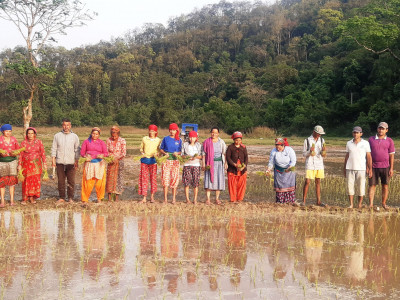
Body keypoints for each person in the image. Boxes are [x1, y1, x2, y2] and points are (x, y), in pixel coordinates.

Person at [51, 118, 80, 204]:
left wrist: (76, 161)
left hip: (71, 162)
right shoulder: (57, 136)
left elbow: (77, 149)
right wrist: (53, 159)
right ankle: (62, 197)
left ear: (70, 126)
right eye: (64, 125)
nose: (66, 127)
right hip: (60, 162)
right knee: (61, 181)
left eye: (68, 125)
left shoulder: (75, 136)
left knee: (71, 181)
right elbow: (54, 148)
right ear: (62, 125)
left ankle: (70, 198)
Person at [368, 122, 395, 209]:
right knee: (372, 185)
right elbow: (368, 155)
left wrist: (391, 168)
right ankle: (371, 204)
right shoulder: (371, 140)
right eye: (379, 128)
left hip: (385, 167)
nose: (380, 130)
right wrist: (368, 167)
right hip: (373, 167)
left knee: (385, 186)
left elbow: (391, 155)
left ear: (386, 130)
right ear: (377, 129)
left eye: (383, 129)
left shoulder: (390, 140)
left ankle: (383, 203)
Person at [344, 126, 372, 208]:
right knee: (350, 187)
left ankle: (359, 204)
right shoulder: (349, 143)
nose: (355, 134)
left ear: (361, 134)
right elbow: (347, 156)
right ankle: (351, 204)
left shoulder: (365, 143)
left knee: (361, 187)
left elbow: (369, 157)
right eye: (354, 132)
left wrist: (370, 168)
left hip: (361, 168)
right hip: (350, 167)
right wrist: (344, 167)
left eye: (357, 132)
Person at [18, 127, 47, 205]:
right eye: (29, 133)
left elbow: (43, 154)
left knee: (35, 180)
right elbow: (21, 155)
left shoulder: (39, 142)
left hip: (37, 165)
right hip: (26, 165)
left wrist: (45, 164)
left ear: (35, 134)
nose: (30, 135)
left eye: (32, 133)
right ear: (26, 134)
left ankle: (32, 197)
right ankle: (25, 198)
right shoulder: (23, 143)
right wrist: (19, 165)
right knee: (26, 180)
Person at [80, 127, 108, 204]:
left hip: (99, 164)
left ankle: (99, 199)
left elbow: (106, 153)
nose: (95, 135)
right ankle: (85, 199)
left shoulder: (102, 142)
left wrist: (102, 155)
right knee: (88, 181)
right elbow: (82, 153)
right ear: (91, 133)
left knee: (100, 182)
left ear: (99, 135)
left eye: (96, 134)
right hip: (89, 163)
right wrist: (86, 157)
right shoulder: (86, 142)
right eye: (93, 133)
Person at [266, 138, 297, 204]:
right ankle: (280, 203)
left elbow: (293, 160)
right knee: (280, 189)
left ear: (283, 146)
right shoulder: (274, 151)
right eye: (277, 147)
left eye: (279, 147)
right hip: (278, 172)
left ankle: (290, 202)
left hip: (289, 172)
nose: (278, 149)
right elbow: (271, 162)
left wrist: (290, 167)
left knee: (289, 188)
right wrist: (268, 169)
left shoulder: (289, 150)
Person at [302, 125, 327, 206]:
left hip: (319, 164)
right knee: (307, 181)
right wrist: (310, 151)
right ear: (314, 132)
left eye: (320, 134)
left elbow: (323, 155)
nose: (319, 135)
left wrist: (323, 152)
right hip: (309, 163)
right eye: (318, 133)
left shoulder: (322, 140)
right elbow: (304, 154)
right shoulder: (307, 140)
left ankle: (318, 201)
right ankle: (304, 201)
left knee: (318, 181)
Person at [202, 127, 227, 205]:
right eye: (212, 132)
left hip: (219, 163)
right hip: (209, 164)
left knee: (218, 180)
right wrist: (203, 163)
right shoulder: (206, 142)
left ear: (218, 134)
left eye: (216, 133)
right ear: (210, 133)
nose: (214, 134)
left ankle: (217, 199)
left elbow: (224, 153)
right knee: (209, 181)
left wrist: (226, 163)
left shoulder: (221, 142)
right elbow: (203, 154)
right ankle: (208, 199)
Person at [159, 123, 182, 204]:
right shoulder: (165, 139)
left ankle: (173, 199)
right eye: (171, 130)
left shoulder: (179, 140)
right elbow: (161, 149)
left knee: (174, 179)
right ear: (169, 130)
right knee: (165, 180)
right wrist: (165, 153)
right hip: (166, 161)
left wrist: (177, 153)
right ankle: (165, 199)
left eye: (174, 130)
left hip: (175, 162)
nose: (172, 131)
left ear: (176, 131)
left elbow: (181, 151)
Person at [139, 125, 161, 203]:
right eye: (150, 131)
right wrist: (142, 153)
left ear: (156, 132)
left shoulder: (158, 140)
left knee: (153, 179)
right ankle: (144, 197)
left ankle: (152, 197)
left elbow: (159, 150)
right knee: (144, 179)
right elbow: (141, 148)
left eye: (153, 131)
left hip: (153, 161)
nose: (151, 132)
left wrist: (157, 154)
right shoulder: (145, 139)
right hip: (144, 161)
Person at [226, 131, 248, 203]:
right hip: (232, 169)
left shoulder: (243, 147)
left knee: (241, 185)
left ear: (241, 140)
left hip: (242, 169)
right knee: (232, 185)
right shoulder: (230, 147)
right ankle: (233, 199)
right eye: (236, 140)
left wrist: (244, 166)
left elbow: (246, 158)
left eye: (239, 140)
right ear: (233, 140)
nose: (238, 141)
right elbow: (228, 158)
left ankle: (240, 199)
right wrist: (234, 164)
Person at [106, 126, 126, 201]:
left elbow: (124, 153)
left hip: (119, 161)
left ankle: (117, 198)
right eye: (112, 136)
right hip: (111, 161)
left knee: (119, 178)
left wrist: (117, 158)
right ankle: (109, 197)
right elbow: (106, 151)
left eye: (115, 136)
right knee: (110, 178)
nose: (114, 138)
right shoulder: (108, 140)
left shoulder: (122, 140)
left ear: (118, 134)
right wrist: (111, 157)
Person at [0, 124, 19, 207]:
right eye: (6, 131)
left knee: (12, 182)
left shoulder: (14, 139)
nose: (8, 133)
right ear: (3, 131)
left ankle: (11, 200)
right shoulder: (0, 139)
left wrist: (14, 153)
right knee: (2, 182)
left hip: (12, 162)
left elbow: (18, 150)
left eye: (10, 131)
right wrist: (1, 154)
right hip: (2, 163)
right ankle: (2, 201)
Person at [181, 130, 202, 204]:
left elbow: (201, 156)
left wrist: (196, 157)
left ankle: (195, 199)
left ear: (196, 138)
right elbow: (182, 155)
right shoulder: (185, 144)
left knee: (195, 183)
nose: (191, 139)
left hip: (196, 165)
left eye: (193, 137)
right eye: (190, 137)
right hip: (187, 165)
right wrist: (187, 157)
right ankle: (187, 199)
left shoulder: (199, 145)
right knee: (187, 182)